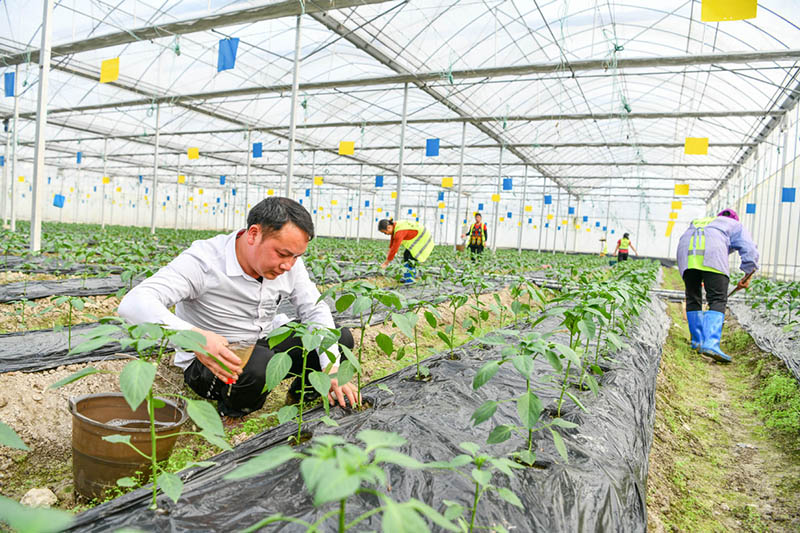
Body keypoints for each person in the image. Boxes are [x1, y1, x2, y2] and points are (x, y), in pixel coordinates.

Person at [118, 197, 358, 423]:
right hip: (213, 360)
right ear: (254, 234)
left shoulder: (290, 264)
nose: (288, 265)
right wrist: (195, 339)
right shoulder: (204, 262)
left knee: (338, 338)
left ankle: (301, 395)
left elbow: (315, 311)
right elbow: (134, 303)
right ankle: (232, 411)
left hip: (261, 341)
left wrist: (331, 369)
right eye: (283, 254)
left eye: (296, 257)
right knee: (258, 364)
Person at [676, 208, 759, 363]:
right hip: (711, 256)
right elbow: (749, 249)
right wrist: (748, 272)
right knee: (718, 299)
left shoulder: (704, 222)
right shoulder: (735, 225)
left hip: (686, 256)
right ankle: (710, 344)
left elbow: (705, 243)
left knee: (693, 297)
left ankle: (697, 342)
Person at [377, 218, 434, 283]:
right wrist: (389, 251)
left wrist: (386, 263)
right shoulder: (396, 226)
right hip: (419, 238)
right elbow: (392, 242)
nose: (386, 234)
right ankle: (407, 276)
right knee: (406, 255)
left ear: (389, 227)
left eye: (385, 232)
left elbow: (395, 248)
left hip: (423, 239)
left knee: (412, 258)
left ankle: (410, 280)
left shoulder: (399, 231)